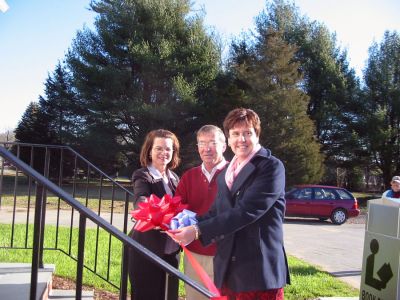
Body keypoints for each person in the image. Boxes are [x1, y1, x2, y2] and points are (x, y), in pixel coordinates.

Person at [171, 108, 290, 300]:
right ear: (229, 138)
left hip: (258, 273)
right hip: (229, 270)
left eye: (247, 133)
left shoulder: (270, 167)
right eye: (235, 134)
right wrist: (188, 227)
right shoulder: (228, 173)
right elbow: (216, 211)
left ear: (257, 135)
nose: (241, 139)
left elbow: (246, 211)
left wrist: (198, 230)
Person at [175, 125, 228, 300]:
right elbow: (177, 210)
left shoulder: (235, 174)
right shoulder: (189, 177)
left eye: (213, 142)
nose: (207, 148)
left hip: (227, 253)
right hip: (195, 254)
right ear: (197, 148)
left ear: (224, 146)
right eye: (202, 143)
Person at [128, 129, 181, 300]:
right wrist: (154, 211)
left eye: (168, 149)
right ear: (149, 151)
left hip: (171, 250)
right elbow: (141, 199)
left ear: (173, 152)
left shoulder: (174, 178)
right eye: (158, 148)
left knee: (168, 295)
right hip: (146, 249)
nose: (163, 153)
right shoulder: (143, 175)